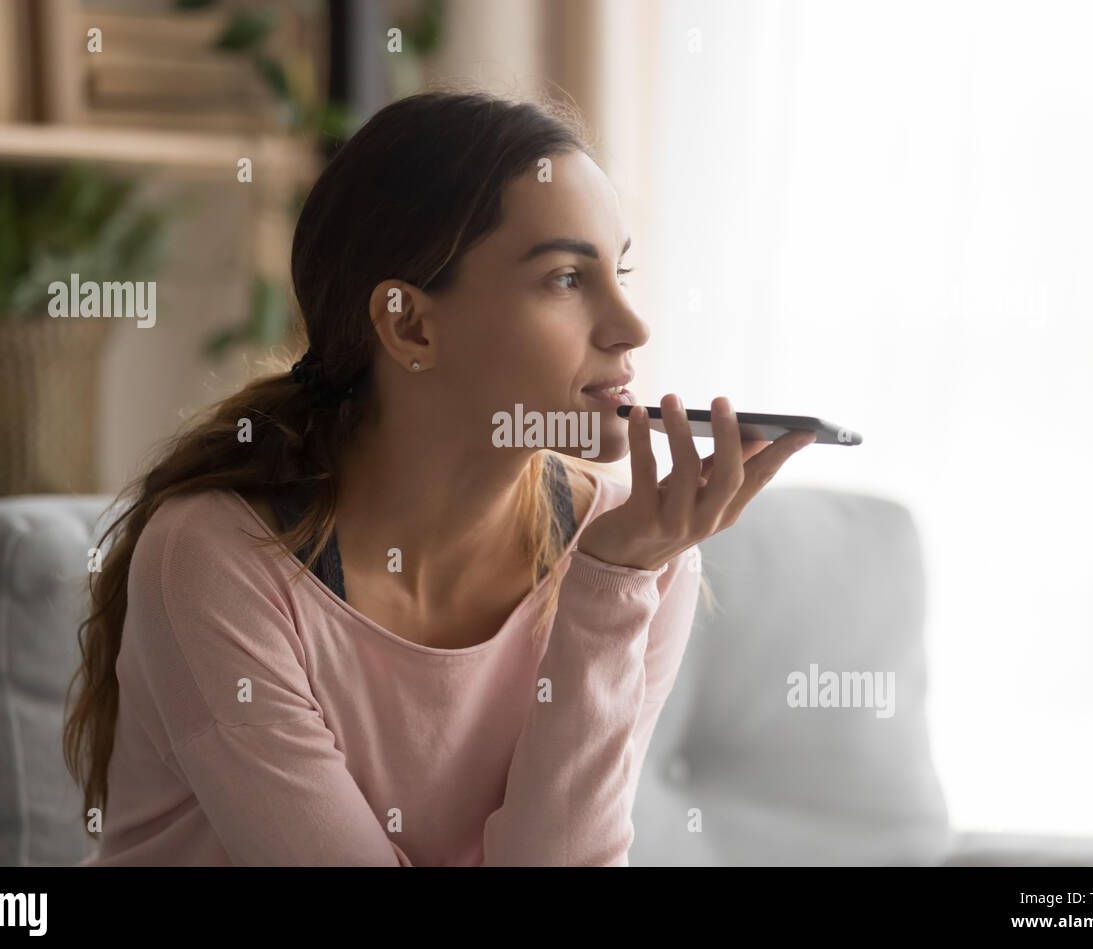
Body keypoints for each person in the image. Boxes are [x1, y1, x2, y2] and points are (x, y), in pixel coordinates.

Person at [63, 90, 815, 866]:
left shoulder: (636, 550)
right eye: (565, 278)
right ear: (410, 324)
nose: (631, 326)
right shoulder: (218, 559)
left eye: (620, 270)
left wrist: (614, 582)